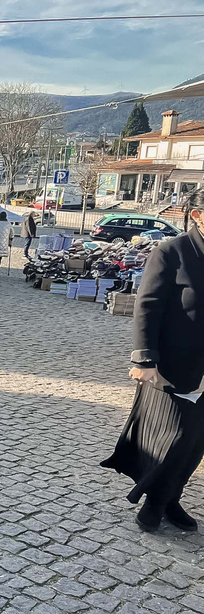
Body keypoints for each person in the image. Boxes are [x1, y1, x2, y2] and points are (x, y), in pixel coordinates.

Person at [102, 191, 204, 532]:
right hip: (175, 367)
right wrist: (145, 359)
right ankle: (155, 502)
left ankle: (172, 498)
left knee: (195, 446)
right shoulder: (172, 252)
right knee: (171, 441)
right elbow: (148, 306)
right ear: (197, 215)